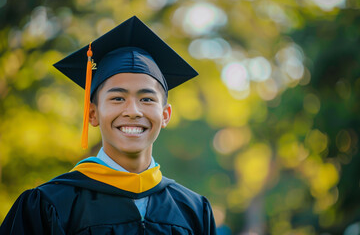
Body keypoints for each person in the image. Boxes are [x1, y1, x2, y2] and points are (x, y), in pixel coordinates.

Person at [0, 16, 217, 234]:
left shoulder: (194, 210)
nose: (133, 111)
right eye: (118, 98)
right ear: (92, 114)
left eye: (147, 99)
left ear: (165, 115)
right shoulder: (49, 205)